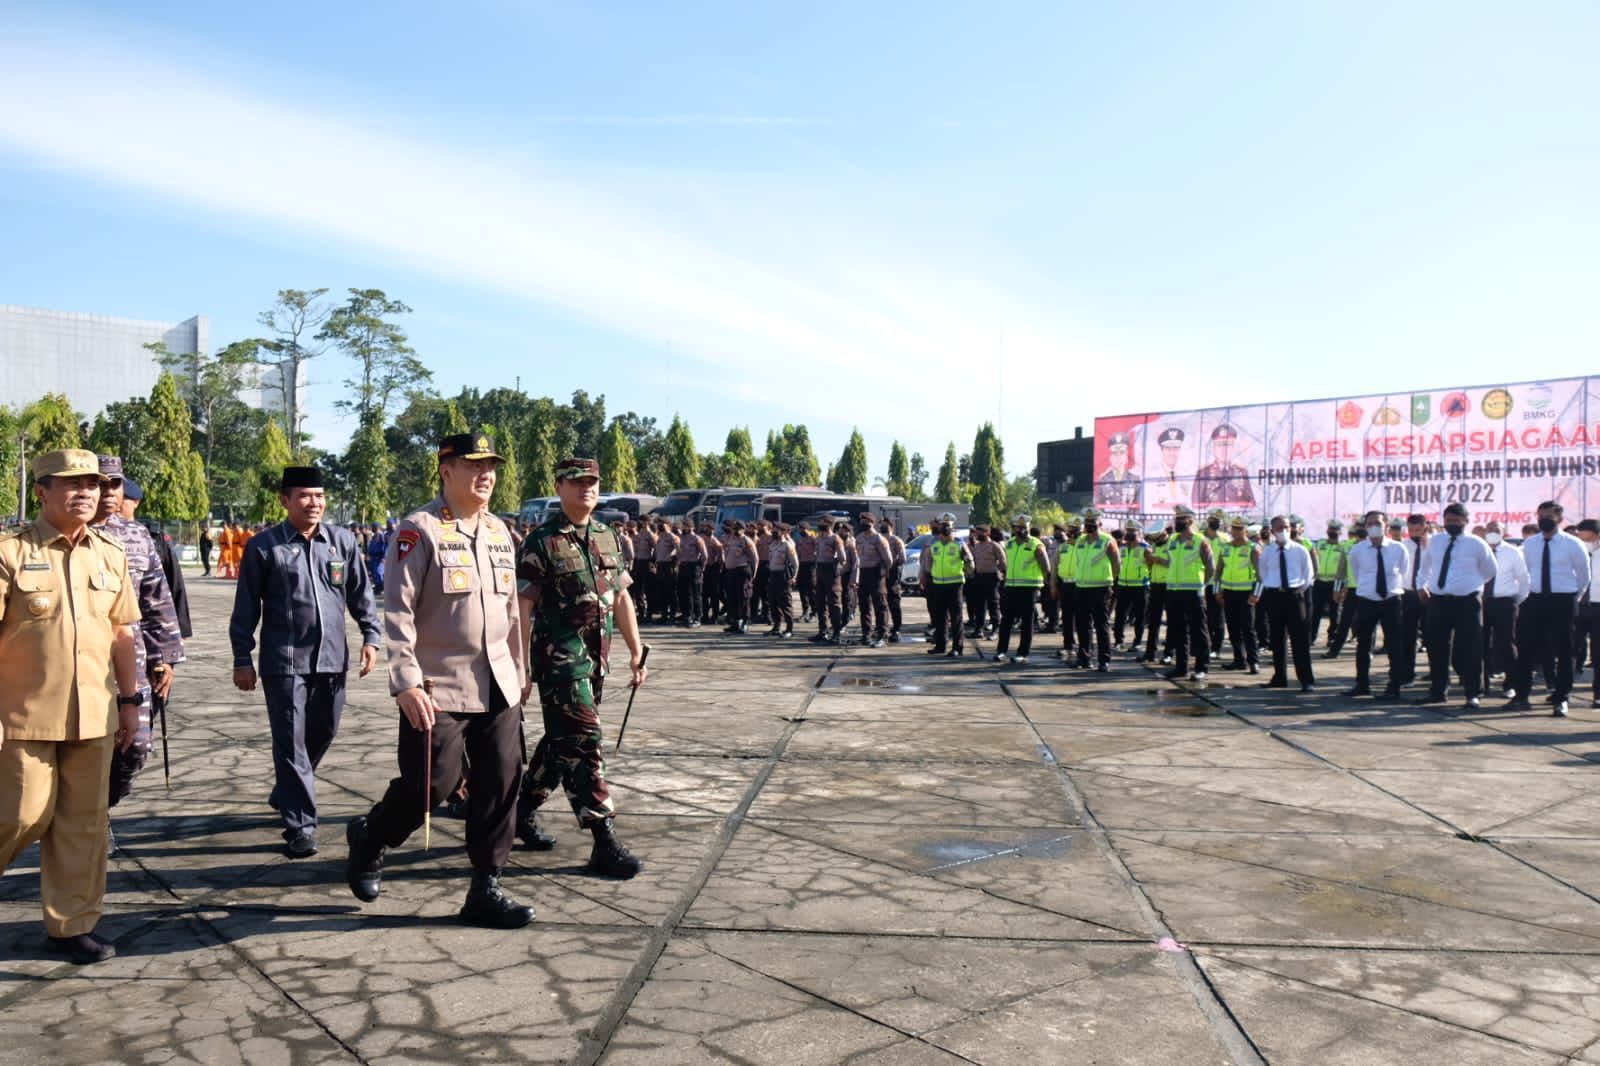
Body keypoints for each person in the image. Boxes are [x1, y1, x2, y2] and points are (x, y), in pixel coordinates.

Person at [345, 430, 535, 928]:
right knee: (433, 783)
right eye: (474, 466)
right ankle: (372, 835)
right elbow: (398, 611)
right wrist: (405, 680)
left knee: (500, 784)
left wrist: (521, 671)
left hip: (498, 681)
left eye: (490, 466)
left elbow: (511, 612)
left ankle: (486, 887)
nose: (485, 476)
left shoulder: (499, 532)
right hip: (438, 684)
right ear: (446, 470)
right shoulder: (420, 529)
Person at [0, 449, 142, 965]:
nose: (85, 492)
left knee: (83, 825)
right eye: (71, 483)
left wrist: (130, 704)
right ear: (41, 491)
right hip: (22, 715)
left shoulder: (109, 553)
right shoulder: (10, 551)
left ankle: (70, 927)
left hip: (95, 714)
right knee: (21, 816)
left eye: (93, 483)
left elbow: (122, 632)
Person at [230, 466, 381, 857]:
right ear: (285, 501)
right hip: (284, 662)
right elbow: (246, 607)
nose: (314, 503)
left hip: (332, 658)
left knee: (324, 730)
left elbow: (361, 595)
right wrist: (241, 656)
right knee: (290, 743)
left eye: (319, 496)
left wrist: (371, 637)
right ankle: (301, 826)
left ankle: (286, 790)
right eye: (304, 496)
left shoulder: (342, 542)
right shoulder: (265, 547)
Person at [515, 455, 648, 879]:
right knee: (586, 741)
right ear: (559, 487)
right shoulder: (541, 541)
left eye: (591, 481)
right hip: (559, 663)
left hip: (597, 661)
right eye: (575, 482)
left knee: (561, 744)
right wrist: (521, 666)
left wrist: (636, 649)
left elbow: (622, 597)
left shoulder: (608, 536)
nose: (584, 488)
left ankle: (518, 810)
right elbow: (523, 607)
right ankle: (603, 838)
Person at [90, 458, 183, 813]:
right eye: (99, 483)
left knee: (136, 747)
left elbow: (157, 599)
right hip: (79, 662)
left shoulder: (136, 535)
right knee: (84, 752)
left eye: (114, 484)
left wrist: (166, 657)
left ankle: (99, 810)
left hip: (133, 659)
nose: (108, 492)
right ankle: (88, 824)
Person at [1506, 500, 1591, 716]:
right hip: (1534, 600)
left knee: (1564, 649)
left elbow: (1584, 576)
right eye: (1541, 515)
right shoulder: (1530, 544)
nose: (1544, 519)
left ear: (1560, 519)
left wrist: (1574, 596)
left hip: (1562, 600)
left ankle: (1561, 696)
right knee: (1526, 648)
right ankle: (1522, 695)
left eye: (1549, 516)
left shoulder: (1573, 543)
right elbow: (1523, 572)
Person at [1415, 502, 1496, 708]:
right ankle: (1438, 691)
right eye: (1449, 520)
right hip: (1439, 601)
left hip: (1467, 601)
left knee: (1471, 648)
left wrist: (1470, 584)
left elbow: (1490, 570)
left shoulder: (1477, 543)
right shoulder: (1436, 541)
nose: (1452, 524)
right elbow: (1425, 567)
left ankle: (1472, 693)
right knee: (1437, 647)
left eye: (1457, 521)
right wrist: (1420, 585)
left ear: (1466, 521)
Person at [1340, 510, 1408, 698]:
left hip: (1391, 601)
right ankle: (1362, 684)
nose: (1373, 527)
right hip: (1367, 600)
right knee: (1363, 644)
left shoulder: (1398, 548)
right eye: (1369, 524)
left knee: (1394, 645)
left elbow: (1404, 570)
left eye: (1377, 523)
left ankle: (1394, 686)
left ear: (1386, 525)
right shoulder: (1358, 549)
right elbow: (1357, 571)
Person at [121, 479, 191, 640]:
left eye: (123, 498)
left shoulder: (154, 537)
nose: (115, 502)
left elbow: (175, 584)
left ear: (136, 502)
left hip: (147, 626)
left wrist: (180, 630)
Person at [1252, 515, 1316, 691]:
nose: (1284, 531)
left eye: (1287, 527)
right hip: (1274, 596)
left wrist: (1296, 590)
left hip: (1295, 596)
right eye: (1279, 528)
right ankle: (1280, 677)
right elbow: (1263, 573)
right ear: (1272, 531)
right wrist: (1274, 587)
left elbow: (1308, 575)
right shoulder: (1268, 551)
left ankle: (1306, 680)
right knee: (1277, 639)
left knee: (1300, 640)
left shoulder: (1299, 550)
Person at [1162, 507, 1214, 680]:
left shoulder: (1201, 541)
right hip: (1174, 591)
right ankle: (1181, 667)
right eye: (1176, 519)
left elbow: (1210, 568)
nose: (1177, 523)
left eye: (1181, 520)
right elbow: (1170, 562)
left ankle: (1201, 668)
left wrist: (1202, 586)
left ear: (1190, 521)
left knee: (1199, 631)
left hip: (1193, 592)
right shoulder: (1172, 540)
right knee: (1178, 630)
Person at [993, 514, 1051, 665]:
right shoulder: (1010, 543)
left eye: (1024, 527)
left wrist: (1044, 586)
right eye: (1018, 528)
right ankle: (1001, 651)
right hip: (1011, 587)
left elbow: (1046, 566)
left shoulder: (1036, 544)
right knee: (1006, 621)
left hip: (1029, 588)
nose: (1022, 530)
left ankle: (1023, 653)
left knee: (1026, 622)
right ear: (1013, 529)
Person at [1481, 520, 1529, 697]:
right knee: (1480, 643)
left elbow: (1524, 579)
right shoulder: (1480, 550)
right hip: (1482, 602)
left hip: (1505, 603)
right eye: (1489, 529)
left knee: (1506, 644)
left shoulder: (1513, 552)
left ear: (1503, 533)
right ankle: (1481, 684)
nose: (1492, 532)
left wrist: (1517, 600)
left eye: (1496, 530)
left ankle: (1510, 684)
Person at [1069, 509, 1119, 671]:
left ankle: (1104, 660)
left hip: (1101, 588)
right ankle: (1084, 658)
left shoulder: (1107, 540)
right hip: (1082, 587)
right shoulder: (1080, 541)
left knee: (1101, 625)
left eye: (1093, 523)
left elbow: (1116, 564)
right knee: (1083, 625)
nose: (1089, 526)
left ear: (1099, 524)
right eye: (1087, 523)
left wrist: (1110, 582)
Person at [920, 513, 973, 657]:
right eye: (943, 526)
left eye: (947, 526)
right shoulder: (935, 545)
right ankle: (940, 645)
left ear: (952, 528)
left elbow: (970, 562)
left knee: (956, 617)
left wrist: (968, 575)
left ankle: (957, 647)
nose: (945, 529)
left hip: (955, 584)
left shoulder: (959, 544)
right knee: (939, 616)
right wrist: (930, 574)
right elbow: (929, 562)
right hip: (938, 584)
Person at [1214, 516, 1259, 674]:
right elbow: (1218, 572)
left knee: (1248, 629)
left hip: (1246, 593)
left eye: (1239, 529)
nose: (1236, 531)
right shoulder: (1225, 548)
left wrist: (1256, 594)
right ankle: (1238, 660)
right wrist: (1217, 591)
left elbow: (1260, 575)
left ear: (1246, 530)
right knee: (1232, 628)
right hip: (1229, 593)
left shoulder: (1253, 548)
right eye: (1234, 528)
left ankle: (1253, 662)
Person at [1192, 424, 1256, 509]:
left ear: (1233, 448)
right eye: (1220, 445)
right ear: (1213, 448)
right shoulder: (1204, 473)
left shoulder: (1241, 472)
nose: (1224, 450)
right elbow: (1196, 504)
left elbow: (1251, 503)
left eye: (1228, 445)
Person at [1311, 519, 1349, 654]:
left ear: (1340, 532)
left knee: (1334, 612)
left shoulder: (1343, 546)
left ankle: (1332, 637)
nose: (1332, 532)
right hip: (1320, 581)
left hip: (1335, 582)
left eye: (1335, 530)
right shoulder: (1320, 543)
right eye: (1330, 529)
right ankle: (1311, 637)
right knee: (1315, 611)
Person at [854, 515, 892, 647]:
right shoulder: (859, 538)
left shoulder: (879, 539)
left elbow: (888, 560)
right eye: (861, 521)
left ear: (872, 523)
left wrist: (883, 573)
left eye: (865, 521)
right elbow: (857, 558)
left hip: (876, 573)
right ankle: (866, 634)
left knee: (880, 605)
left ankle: (883, 635)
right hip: (863, 572)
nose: (862, 523)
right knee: (864, 605)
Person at [1114, 520, 1149, 652]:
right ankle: (1118, 641)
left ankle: (1137, 642)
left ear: (1139, 533)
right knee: (1120, 615)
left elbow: (1151, 565)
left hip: (1140, 586)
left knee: (1139, 616)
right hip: (1123, 584)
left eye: (1132, 532)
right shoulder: (1121, 548)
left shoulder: (1145, 548)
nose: (1129, 534)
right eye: (1128, 531)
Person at [810, 521, 846, 643]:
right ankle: (822, 631)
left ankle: (836, 633)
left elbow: (843, 558)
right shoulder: (819, 538)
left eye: (824, 523)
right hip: (820, 570)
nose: (821, 526)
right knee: (820, 602)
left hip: (831, 571)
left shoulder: (835, 538)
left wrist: (836, 562)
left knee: (834, 604)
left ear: (830, 525)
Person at [967, 526, 1004, 639]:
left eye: (981, 532)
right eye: (977, 533)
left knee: (993, 604)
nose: (978, 534)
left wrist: (1000, 573)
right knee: (979, 605)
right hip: (978, 577)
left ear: (987, 533)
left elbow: (1003, 562)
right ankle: (979, 629)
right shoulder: (976, 546)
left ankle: (996, 629)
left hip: (991, 577)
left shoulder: (994, 546)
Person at [1052, 516, 1081, 662]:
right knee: (1067, 616)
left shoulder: (1083, 546)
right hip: (1065, 585)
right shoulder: (1062, 547)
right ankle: (1068, 645)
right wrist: (1053, 584)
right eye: (1070, 529)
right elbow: (1055, 566)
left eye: (1074, 529)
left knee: (1082, 617)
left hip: (1081, 585)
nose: (1071, 532)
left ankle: (1083, 647)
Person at [1142, 528, 1172, 664]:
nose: (1155, 542)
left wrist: (1158, 559)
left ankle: (1168, 653)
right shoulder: (1153, 546)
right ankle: (1150, 653)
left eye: (1157, 539)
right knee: (1153, 621)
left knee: (1172, 621)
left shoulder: (1172, 545)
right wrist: (1148, 559)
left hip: (1169, 585)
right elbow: (1149, 566)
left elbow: (1173, 564)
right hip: (1155, 584)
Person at [723, 521, 758, 634]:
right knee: (732, 597)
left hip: (742, 571)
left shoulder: (746, 540)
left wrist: (754, 573)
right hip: (731, 571)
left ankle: (744, 623)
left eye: (737, 529)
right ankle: (734, 622)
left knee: (743, 597)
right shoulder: (731, 539)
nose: (735, 531)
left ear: (743, 529)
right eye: (734, 528)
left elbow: (755, 558)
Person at [765, 523, 799, 638]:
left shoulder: (787, 545)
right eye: (774, 530)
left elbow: (795, 563)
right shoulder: (772, 545)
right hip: (773, 575)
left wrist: (793, 577)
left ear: (783, 532)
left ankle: (789, 628)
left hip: (783, 576)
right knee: (773, 602)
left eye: (777, 530)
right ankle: (776, 627)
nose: (774, 532)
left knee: (785, 603)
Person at [1095, 431, 1141, 509]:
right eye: (1114, 453)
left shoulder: (1135, 479)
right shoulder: (1102, 481)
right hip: (1109, 519)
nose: (1118, 457)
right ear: (1110, 457)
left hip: (1129, 520)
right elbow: (1099, 508)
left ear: (1126, 456)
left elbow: (1138, 507)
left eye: (1122, 453)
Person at [674, 520, 706, 628]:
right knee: (683, 593)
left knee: (695, 594)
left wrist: (701, 569)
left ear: (690, 527)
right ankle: (687, 616)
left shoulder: (697, 539)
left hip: (694, 566)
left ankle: (697, 618)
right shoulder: (681, 538)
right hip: (683, 566)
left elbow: (704, 555)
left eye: (685, 526)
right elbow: (679, 553)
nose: (683, 528)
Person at [1148, 428, 1187, 513]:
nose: (1172, 453)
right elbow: (1148, 507)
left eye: (1175, 449)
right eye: (1168, 449)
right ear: (1162, 451)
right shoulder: (1152, 475)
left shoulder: (1187, 473)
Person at [881, 519, 907, 643]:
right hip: (880, 574)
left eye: (885, 525)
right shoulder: (879, 539)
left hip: (892, 574)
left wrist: (892, 566)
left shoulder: (896, 541)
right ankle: (882, 628)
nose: (882, 526)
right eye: (881, 524)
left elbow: (903, 559)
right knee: (881, 602)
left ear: (891, 526)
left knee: (894, 602)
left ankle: (896, 628)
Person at [650, 519, 678, 624]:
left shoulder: (673, 537)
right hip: (660, 565)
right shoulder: (660, 537)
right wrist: (654, 563)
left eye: (663, 525)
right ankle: (664, 614)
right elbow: (656, 552)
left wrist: (674, 561)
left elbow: (677, 551)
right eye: (660, 525)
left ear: (669, 526)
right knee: (661, 591)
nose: (661, 527)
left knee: (670, 591)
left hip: (669, 566)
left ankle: (672, 614)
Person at [794, 521, 816, 624]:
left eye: (803, 529)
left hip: (811, 565)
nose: (801, 531)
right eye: (800, 529)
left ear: (807, 528)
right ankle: (805, 611)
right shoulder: (800, 540)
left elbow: (818, 551)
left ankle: (814, 613)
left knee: (812, 590)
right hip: (802, 565)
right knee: (802, 590)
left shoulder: (813, 538)